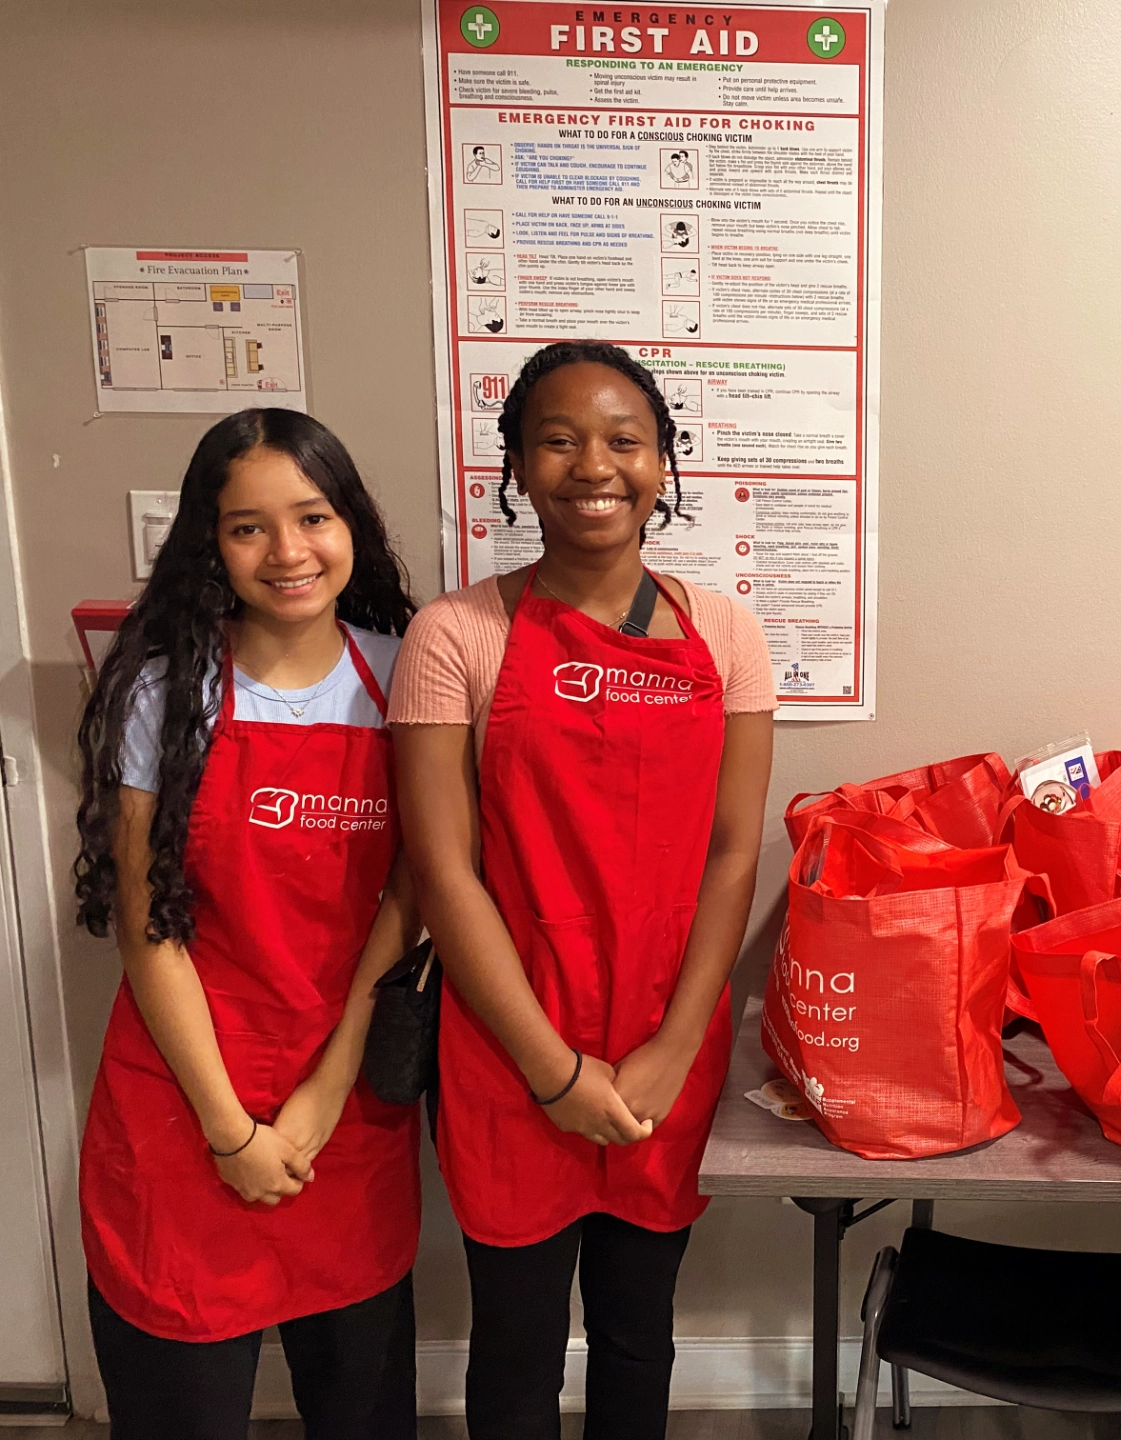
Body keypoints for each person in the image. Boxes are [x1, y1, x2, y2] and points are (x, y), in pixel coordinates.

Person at [391, 340, 775, 1440]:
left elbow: (733, 853)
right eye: (557, 440)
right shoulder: (456, 635)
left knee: (639, 1330)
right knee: (513, 1346)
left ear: (664, 464)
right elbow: (443, 870)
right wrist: (550, 1067)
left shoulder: (727, 632)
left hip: (668, 1035)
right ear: (515, 464)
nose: (592, 465)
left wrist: (669, 1045)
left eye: (623, 440)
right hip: (509, 1049)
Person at [72, 410, 422, 1440]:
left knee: (362, 1410)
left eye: (312, 517)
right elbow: (148, 935)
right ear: (208, 545)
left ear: (350, 523)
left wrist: (322, 1095)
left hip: (344, 1106)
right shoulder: (162, 686)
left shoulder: (404, 674)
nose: (288, 553)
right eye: (247, 528)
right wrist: (231, 1130)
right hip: (186, 1102)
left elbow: (410, 898)